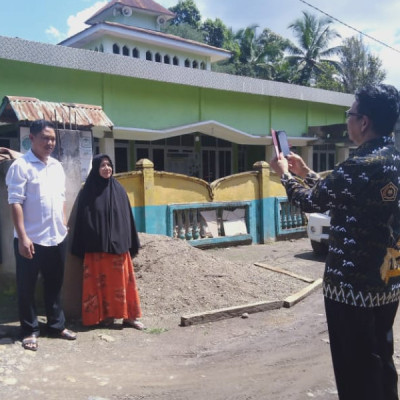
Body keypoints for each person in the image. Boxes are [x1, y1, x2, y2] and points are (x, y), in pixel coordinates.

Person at [270, 84, 400, 400]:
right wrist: (308, 171)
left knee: (355, 367)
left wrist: (286, 175)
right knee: (381, 355)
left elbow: (313, 202)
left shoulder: (357, 165)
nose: (348, 120)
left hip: (352, 289)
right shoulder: (393, 158)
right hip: (390, 278)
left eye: (350, 114)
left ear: (364, 121)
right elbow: (346, 193)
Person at [6, 119, 77, 352]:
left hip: (56, 236)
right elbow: (15, 203)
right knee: (26, 286)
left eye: (53, 139)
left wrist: (64, 223)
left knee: (55, 284)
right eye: (45, 138)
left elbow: (61, 197)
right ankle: (29, 330)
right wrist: (23, 237)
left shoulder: (56, 166)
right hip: (31, 238)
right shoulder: (21, 166)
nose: (50, 142)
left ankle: (56, 326)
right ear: (32, 139)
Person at [70, 153, 144, 330]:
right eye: (102, 165)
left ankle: (129, 317)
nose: (106, 168)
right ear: (96, 168)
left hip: (118, 249)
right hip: (96, 249)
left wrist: (126, 240)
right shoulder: (87, 191)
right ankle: (104, 317)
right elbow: (83, 220)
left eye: (109, 165)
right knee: (98, 286)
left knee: (122, 284)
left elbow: (127, 218)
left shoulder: (118, 189)